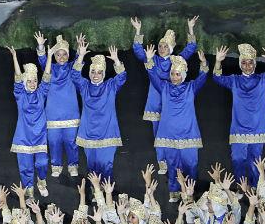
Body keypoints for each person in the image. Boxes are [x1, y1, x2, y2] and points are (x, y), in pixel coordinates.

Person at [131, 17, 198, 174]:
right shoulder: (152, 58)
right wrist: (138, 30)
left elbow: (191, 48)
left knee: (174, 131)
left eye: (165, 46)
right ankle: (162, 162)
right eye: (160, 46)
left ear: (171, 48)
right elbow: (138, 51)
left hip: (173, 103)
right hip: (155, 102)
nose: (162, 48)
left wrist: (190, 28)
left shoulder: (176, 60)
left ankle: (177, 160)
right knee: (158, 134)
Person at [144, 46, 207, 202]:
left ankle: (190, 192)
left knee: (191, 164)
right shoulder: (164, 87)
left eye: (177, 74)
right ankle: (174, 190)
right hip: (169, 133)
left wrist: (204, 63)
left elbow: (203, 76)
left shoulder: (191, 87)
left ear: (183, 75)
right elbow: (153, 76)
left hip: (188, 132)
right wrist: (150, 60)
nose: (174, 77)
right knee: (172, 164)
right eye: (172, 74)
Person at [213, 43, 265, 185]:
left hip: (258, 127)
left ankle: (255, 189)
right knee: (237, 159)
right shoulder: (234, 80)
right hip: (239, 127)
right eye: (244, 63)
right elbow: (217, 77)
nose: (247, 66)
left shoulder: (262, 79)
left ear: (254, 64)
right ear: (240, 64)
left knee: (255, 161)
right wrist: (218, 61)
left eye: (250, 63)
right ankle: (241, 188)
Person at [71, 40, 126, 181]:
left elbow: (122, 77)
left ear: (104, 74)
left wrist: (116, 60)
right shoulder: (84, 86)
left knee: (106, 166)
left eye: (99, 72)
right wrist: (81, 56)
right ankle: (95, 191)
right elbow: (75, 75)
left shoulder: (110, 86)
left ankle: (106, 191)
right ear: (89, 72)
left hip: (108, 132)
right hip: (88, 132)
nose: (96, 75)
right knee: (92, 167)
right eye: (93, 72)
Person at [8, 45, 51, 198]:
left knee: (42, 163)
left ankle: (41, 181)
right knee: (25, 166)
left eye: (35, 81)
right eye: (30, 81)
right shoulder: (20, 94)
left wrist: (49, 56)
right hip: (23, 135)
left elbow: (47, 77)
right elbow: (18, 77)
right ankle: (29, 190)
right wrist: (14, 57)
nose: (33, 84)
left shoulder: (41, 93)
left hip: (39, 135)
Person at [35, 32, 80, 177]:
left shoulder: (72, 68)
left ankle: (73, 165)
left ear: (68, 55)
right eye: (58, 55)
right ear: (54, 56)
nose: (61, 57)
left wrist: (80, 48)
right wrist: (41, 46)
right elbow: (43, 60)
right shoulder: (50, 68)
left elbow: (79, 60)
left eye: (64, 54)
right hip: (53, 113)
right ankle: (56, 165)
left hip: (70, 113)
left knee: (71, 141)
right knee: (54, 141)